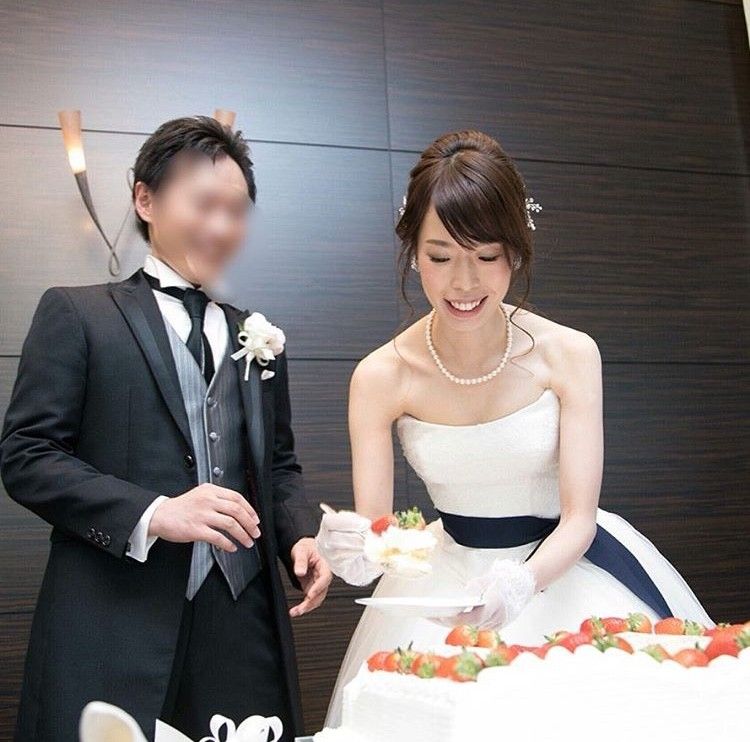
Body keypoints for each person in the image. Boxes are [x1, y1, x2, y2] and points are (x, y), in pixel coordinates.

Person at [315, 129, 715, 728]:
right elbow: (378, 536)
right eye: (440, 256)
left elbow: (580, 518)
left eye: (486, 256)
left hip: (564, 572)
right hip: (446, 586)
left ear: (516, 252)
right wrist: (353, 547)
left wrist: (521, 584)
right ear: (412, 251)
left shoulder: (569, 353)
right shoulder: (379, 376)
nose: (463, 283)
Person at [0, 115, 332, 742]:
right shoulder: (77, 313)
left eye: (237, 211)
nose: (222, 227)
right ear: (145, 200)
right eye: (204, 205)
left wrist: (298, 537)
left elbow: (277, 464)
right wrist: (154, 513)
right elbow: (27, 456)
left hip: (242, 620)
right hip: (115, 616)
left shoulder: (258, 335)